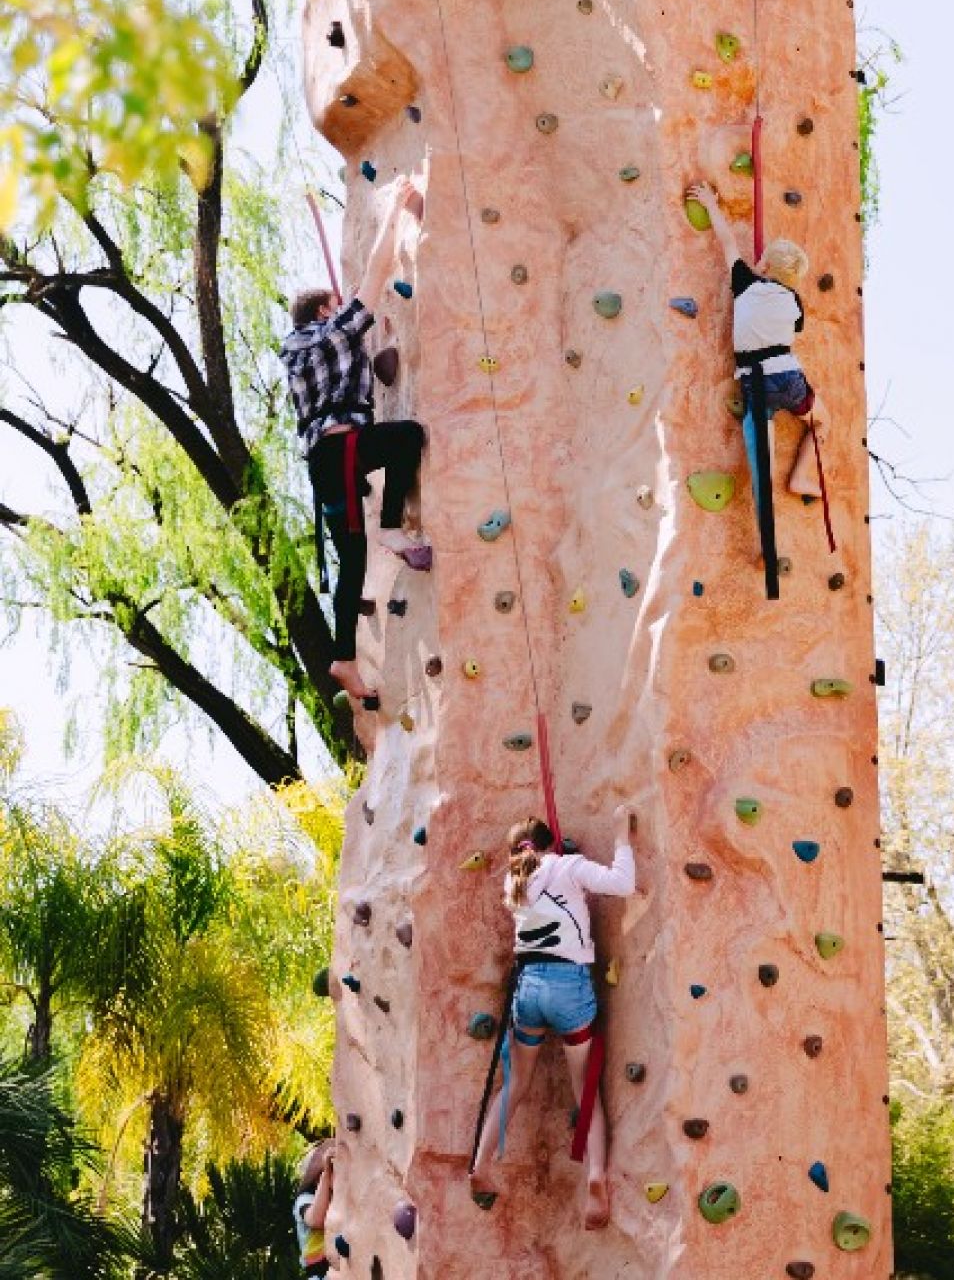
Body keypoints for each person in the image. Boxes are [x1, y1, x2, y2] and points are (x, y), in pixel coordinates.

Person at [281, 180, 429, 705]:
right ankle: (391, 527)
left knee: (352, 559)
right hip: (344, 452)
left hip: (326, 460)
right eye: (335, 304)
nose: (344, 309)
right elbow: (376, 276)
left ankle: (343, 657)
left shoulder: (296, 352)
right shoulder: (330, 335)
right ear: (324, 312)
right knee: (407, 438)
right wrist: (391, 217)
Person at [469, 805, 636, 1231]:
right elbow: (623, 884)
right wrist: (620, 835)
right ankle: (596, 1176)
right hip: (569, 986)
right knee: (586, 1092)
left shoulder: (514, 882)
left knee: (515, 1085)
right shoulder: (568, 865)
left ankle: (482, 1162)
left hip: (528, 990)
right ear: (551, 843)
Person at [685, 180, 827, 517]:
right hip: (788, 380)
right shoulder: (794, 302)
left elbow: (727, 241)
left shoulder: (745, 283)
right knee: (823, 423)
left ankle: (768, 538)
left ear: (762, 267)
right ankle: (802, 477)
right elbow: (793, 331)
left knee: (762, 472)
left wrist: (709, 203)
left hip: (755, 385)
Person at [294, 1139, 335, 1276]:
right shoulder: (305, 1199)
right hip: (320, 1272)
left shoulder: (339, 1200)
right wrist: (326, 1174)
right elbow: (316, 1219)